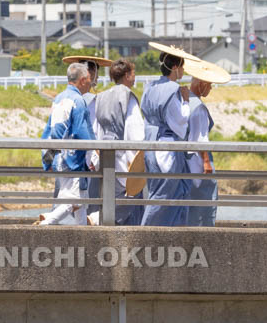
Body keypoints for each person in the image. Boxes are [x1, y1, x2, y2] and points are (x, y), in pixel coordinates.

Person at [140, 44, 194, 227]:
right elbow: (180, 120)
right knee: (166, 192)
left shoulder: (150, 86)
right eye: (182, 66)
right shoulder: (173, 89)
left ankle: (164, 231)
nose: (184, 70)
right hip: (166, 145)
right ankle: (147, 231)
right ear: (175, 67)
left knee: (158, 189)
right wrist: (186, 101)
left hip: (150, 142)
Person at [36, 62, 96, 226]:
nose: (91, 82)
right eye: (90, 78)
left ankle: (84, 235)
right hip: (74, 159)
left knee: (78, 200)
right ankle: (47, 221)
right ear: (83, 80)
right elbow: (83, 133)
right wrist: (93, 158)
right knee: (75, 200)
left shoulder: (58, 99)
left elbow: (48, 131)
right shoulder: (78, 101)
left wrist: (47, 159)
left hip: (58, 158)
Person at [91, 58, 145, 225]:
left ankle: (101, 222)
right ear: (127, 75)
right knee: (131, 200)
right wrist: (136, 161)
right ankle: (97, 219)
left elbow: (96, 128)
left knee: (109, 196)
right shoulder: (128, 97)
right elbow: (134, 132)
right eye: (133, 73)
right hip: (123, 156)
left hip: (104, 154)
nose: (135, 77)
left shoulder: (100, 97)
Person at [61, 55, 111, 221]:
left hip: (65, 153)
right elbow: (91, 129)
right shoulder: (90, 100)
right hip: (85, 153)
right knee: (81, 195)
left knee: (70, 193)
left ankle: (75, 226)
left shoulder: (65, 97)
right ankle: (50, 219)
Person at [183, 58, 230, 226]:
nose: (210, 88)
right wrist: (207, 163)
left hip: (184, 161)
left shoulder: (184, 99)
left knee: (189, 204)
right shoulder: (199, 107)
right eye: (209, 84)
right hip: (198, 160)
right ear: (201, 84)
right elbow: (201, 138)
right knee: (205, 202)